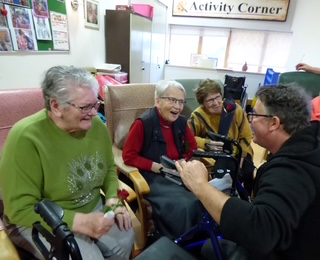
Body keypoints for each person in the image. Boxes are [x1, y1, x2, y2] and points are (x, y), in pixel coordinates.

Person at [0, 66, 134, 259]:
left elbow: (109, 171)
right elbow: (19, 210)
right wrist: (78, 222)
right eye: (85, 107)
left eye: (95, 104)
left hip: (93, 207)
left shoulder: (96, 126)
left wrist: (113, 199)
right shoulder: (25, 137)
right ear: (56, 106)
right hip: (46, 219)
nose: (95, 113)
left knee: (124, 240)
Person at [176, 84, 320, 259]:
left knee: (210, 248)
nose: (250, 119)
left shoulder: (291, 169)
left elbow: (261, 232)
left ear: (274, 123)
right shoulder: (311, 142)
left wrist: (200, 185)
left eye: (254, 115)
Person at [122, 80, 203, 239]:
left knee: (200, 197)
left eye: (180, 102)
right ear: (157, 101)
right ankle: (177, 242)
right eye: (172, 100)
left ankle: (197, 241)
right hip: (154, 176)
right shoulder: (143, 124)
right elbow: (128, 156)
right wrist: (154, 166)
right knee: (185, 204)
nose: (177, 107)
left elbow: (192, 147)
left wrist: (183, 160)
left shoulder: (181, 122)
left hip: (177, 172)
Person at [188, 78, 255, 194]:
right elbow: (187, 138)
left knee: (249, 173)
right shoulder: (198, 115)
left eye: (217, 97)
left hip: (239, 152)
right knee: (221, 179)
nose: (216, 102)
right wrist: (205, 143)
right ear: (203, 103)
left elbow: (246, 136)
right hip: (216, 156)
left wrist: (241, 159)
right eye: (210, 100)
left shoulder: (234, 109)